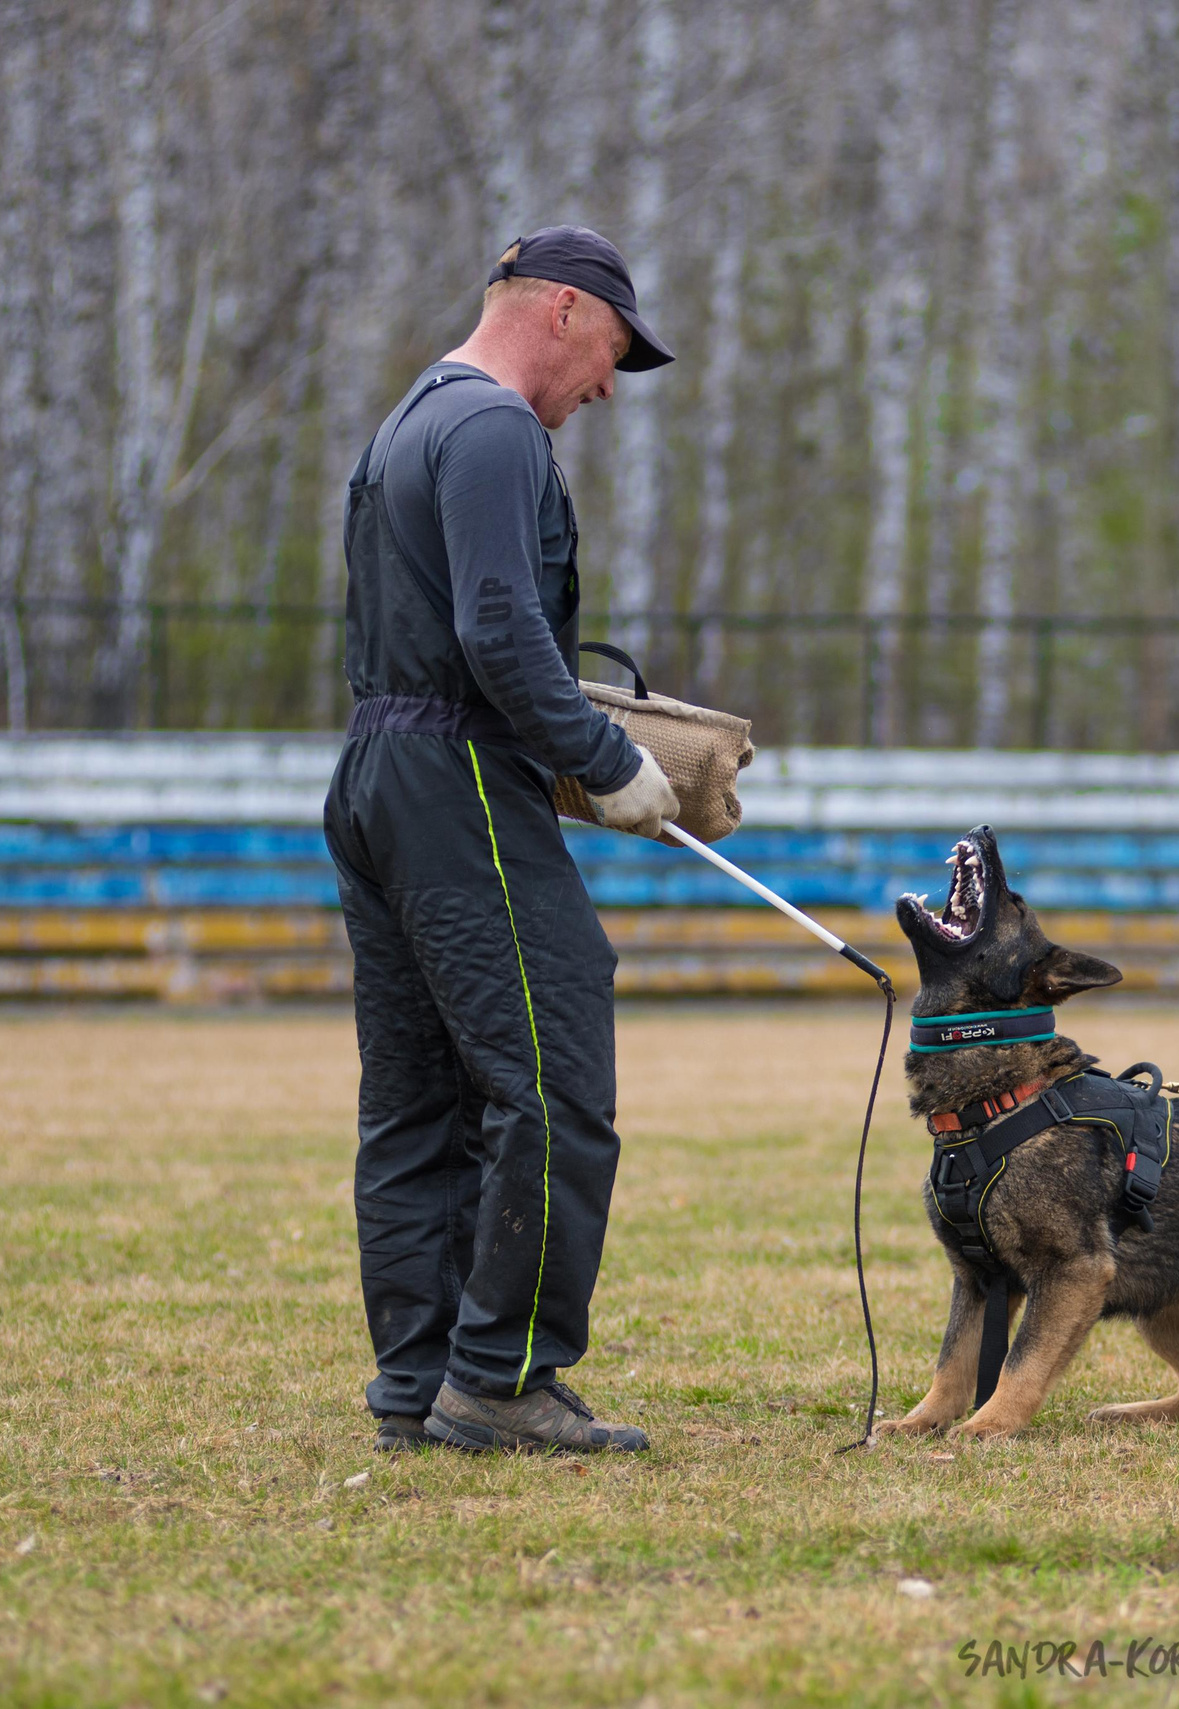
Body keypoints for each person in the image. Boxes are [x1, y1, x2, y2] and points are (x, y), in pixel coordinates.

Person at [322, 227, 680, 1453]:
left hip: (378, 768)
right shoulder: (492, 431)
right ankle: (503, 1374)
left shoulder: (408, 418)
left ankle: (417, 1383)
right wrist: (607, 759)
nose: (601, 393)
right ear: (566, 314)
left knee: (416, 1095)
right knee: (552, 1075)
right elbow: (496, 627)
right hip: (457, 776)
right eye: (611, 359)